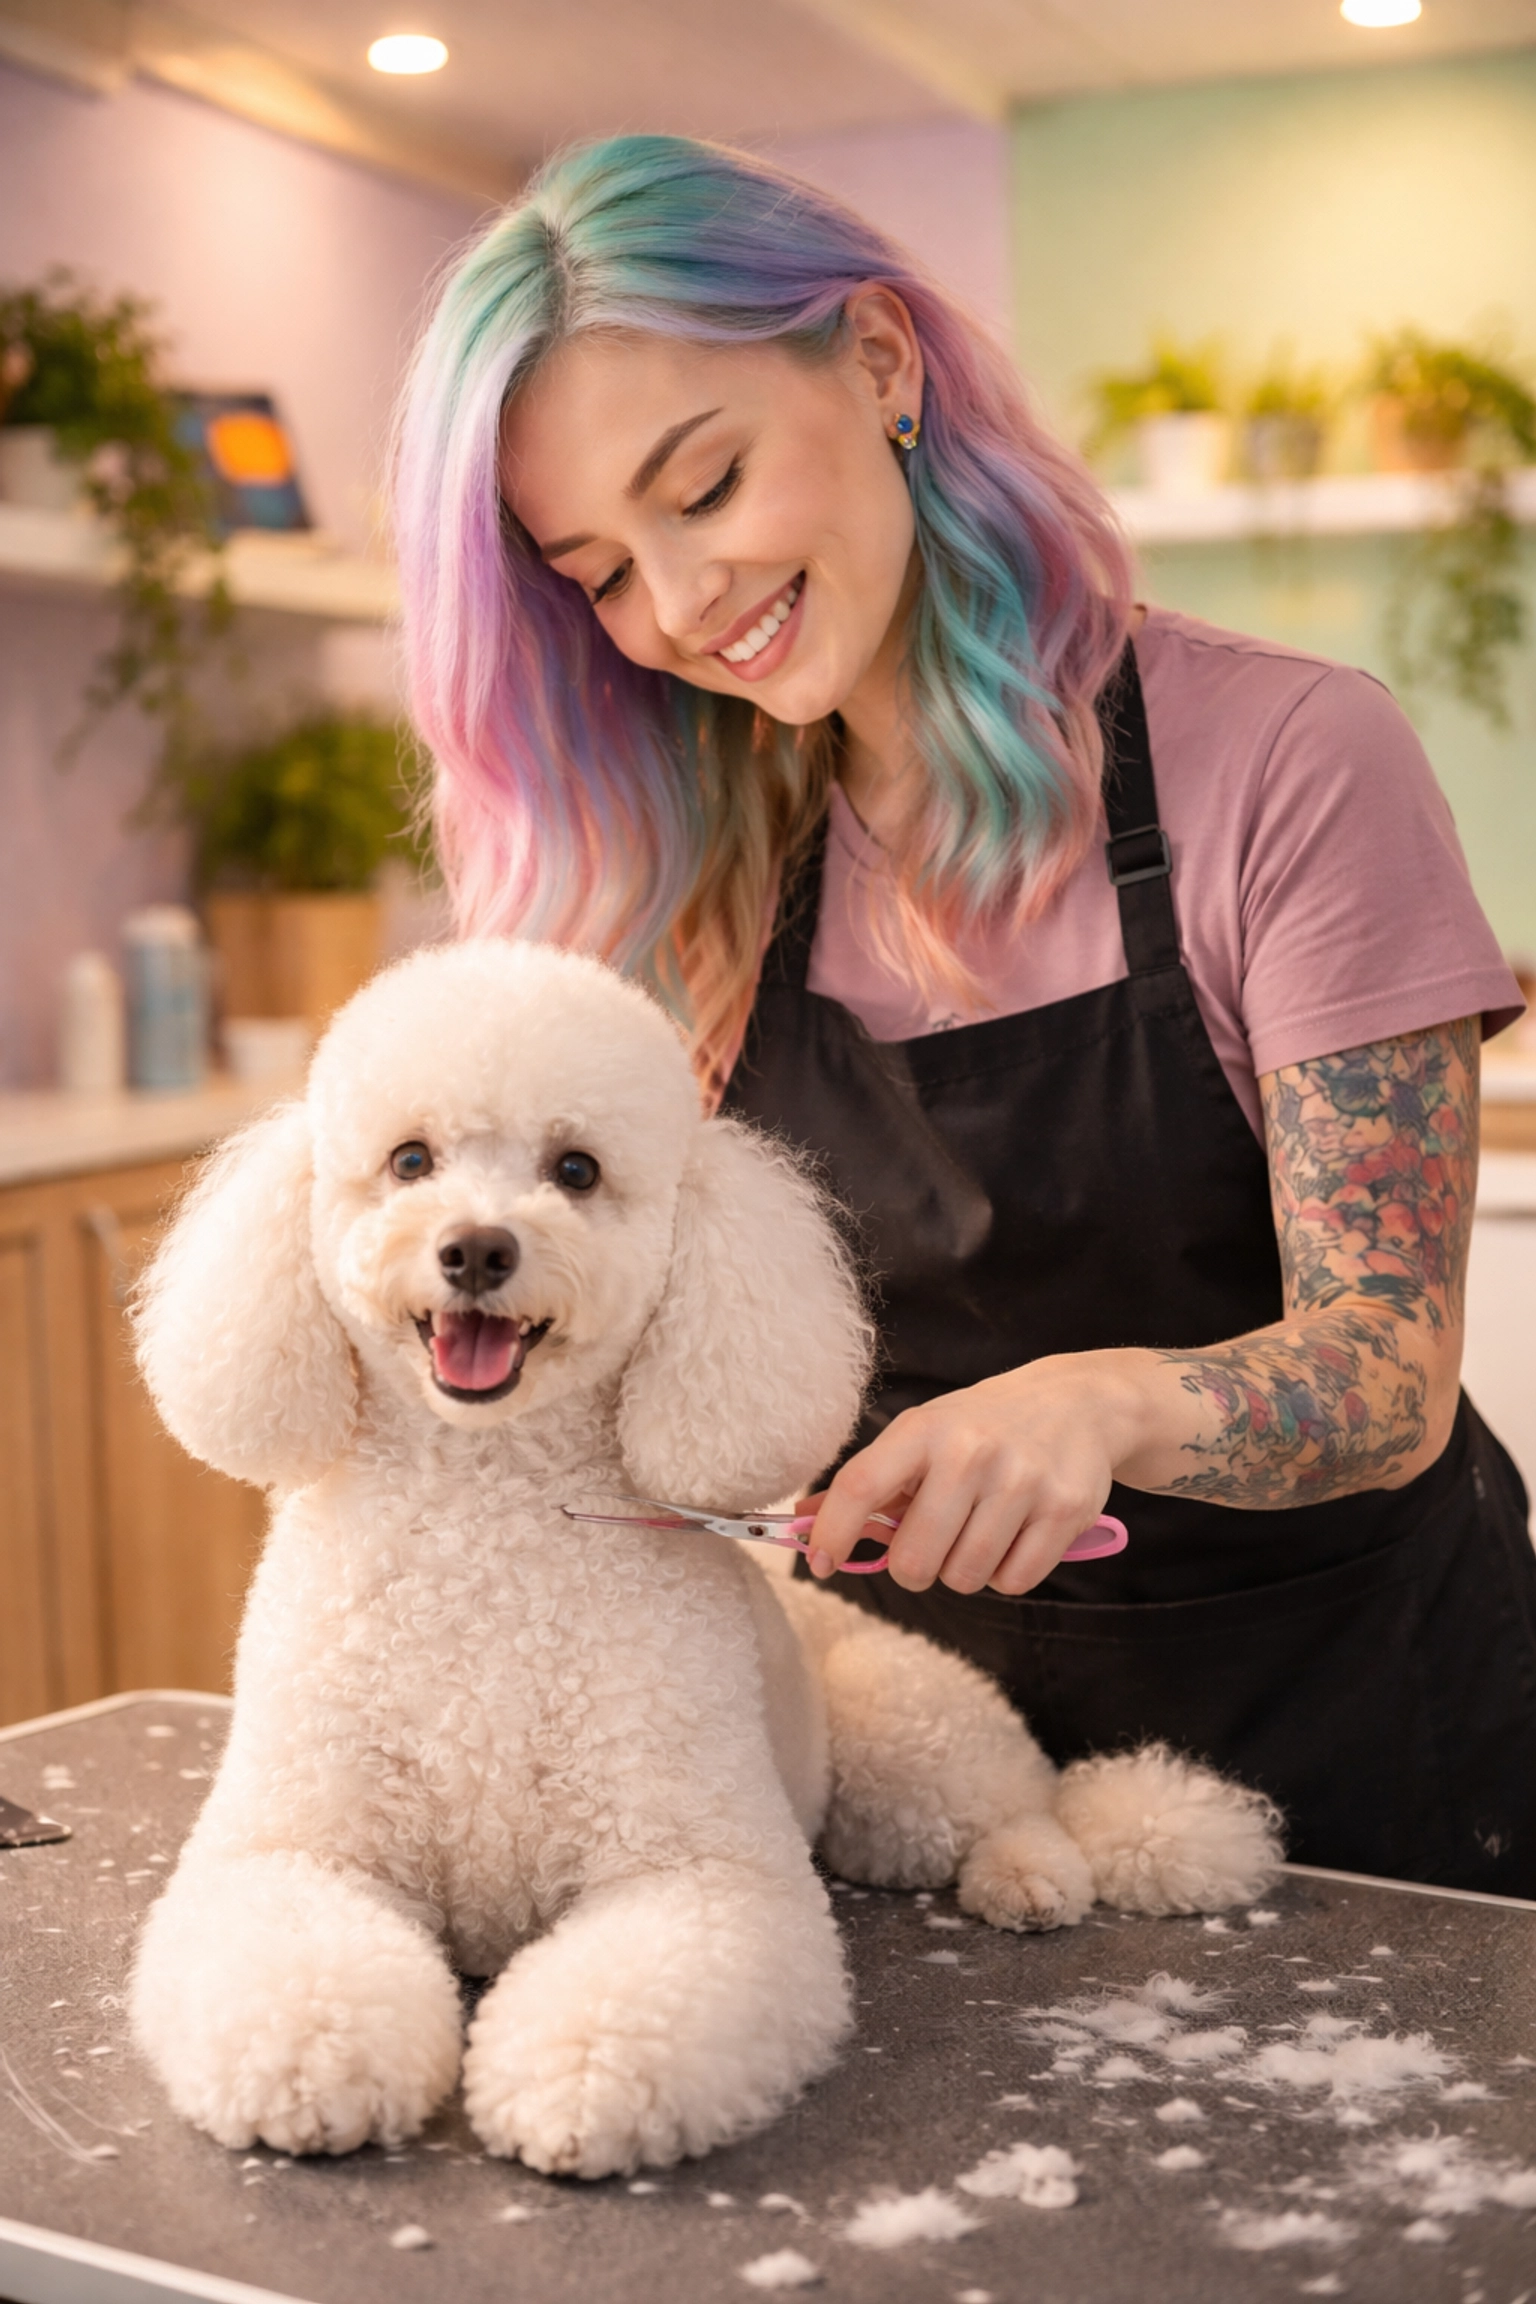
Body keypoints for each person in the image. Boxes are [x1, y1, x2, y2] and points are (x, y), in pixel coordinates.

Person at [394, 133, 1536, 1896]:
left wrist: (1096, 1406)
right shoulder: (695, 870)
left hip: (1353, 1747)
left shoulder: (1290, 760)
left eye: (702, 487)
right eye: (600, 573)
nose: (681, 606)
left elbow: (1388, 1364)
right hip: (912, 1778)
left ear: (878, 363)